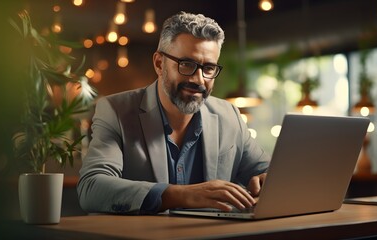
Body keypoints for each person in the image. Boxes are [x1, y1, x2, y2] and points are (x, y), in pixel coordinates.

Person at [77, 11, 271, 215]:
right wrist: (184, 194)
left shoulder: (229, 114)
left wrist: (267, 180)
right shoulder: (115, 110)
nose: (199, 79)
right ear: (159, 64)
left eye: (209, 68)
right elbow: (91, 188)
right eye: (187, 64)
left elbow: (268, 172)